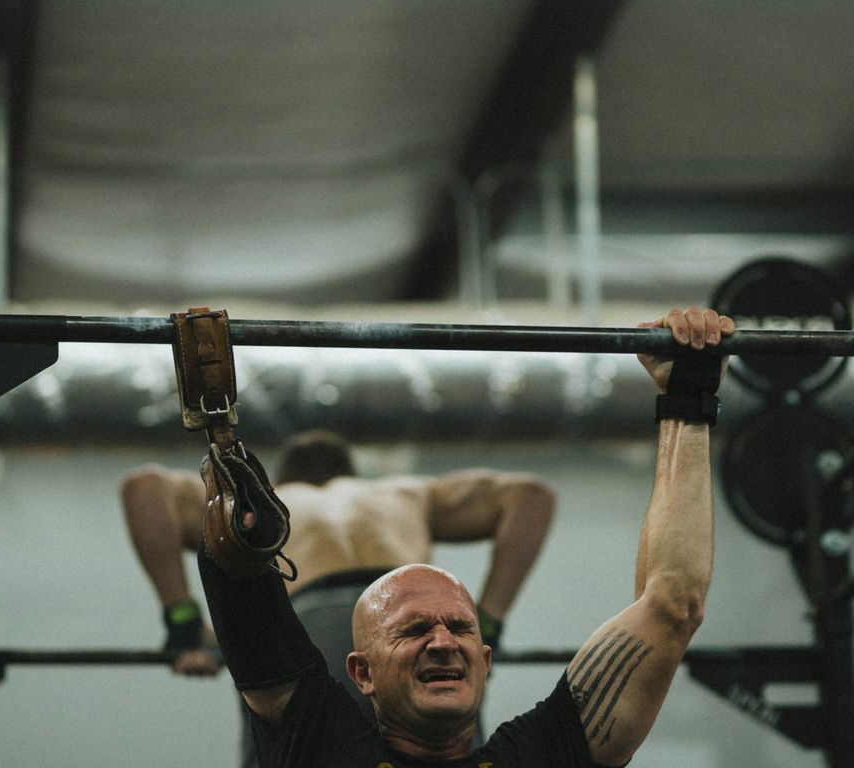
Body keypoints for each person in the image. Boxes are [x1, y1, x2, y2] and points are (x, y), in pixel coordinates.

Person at [196, 306, 733, 767]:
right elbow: (245, 601)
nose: (444, 642)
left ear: (486, 660)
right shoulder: (324, 746)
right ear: (361, 673)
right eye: (413, 630)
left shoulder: (539, 755)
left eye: (461, 627)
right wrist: (223, 447)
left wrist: (687, 401)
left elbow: (671, 605)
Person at [120, 429, 557, 764]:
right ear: (351, 473)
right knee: (443, 745)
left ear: (283, 474)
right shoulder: (402, 493)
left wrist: (184, 625)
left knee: (288, 743)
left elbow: (144, 488)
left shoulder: (271, 500)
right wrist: (488, 623)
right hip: (408, 625)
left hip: (311, 628)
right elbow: (532, 496)